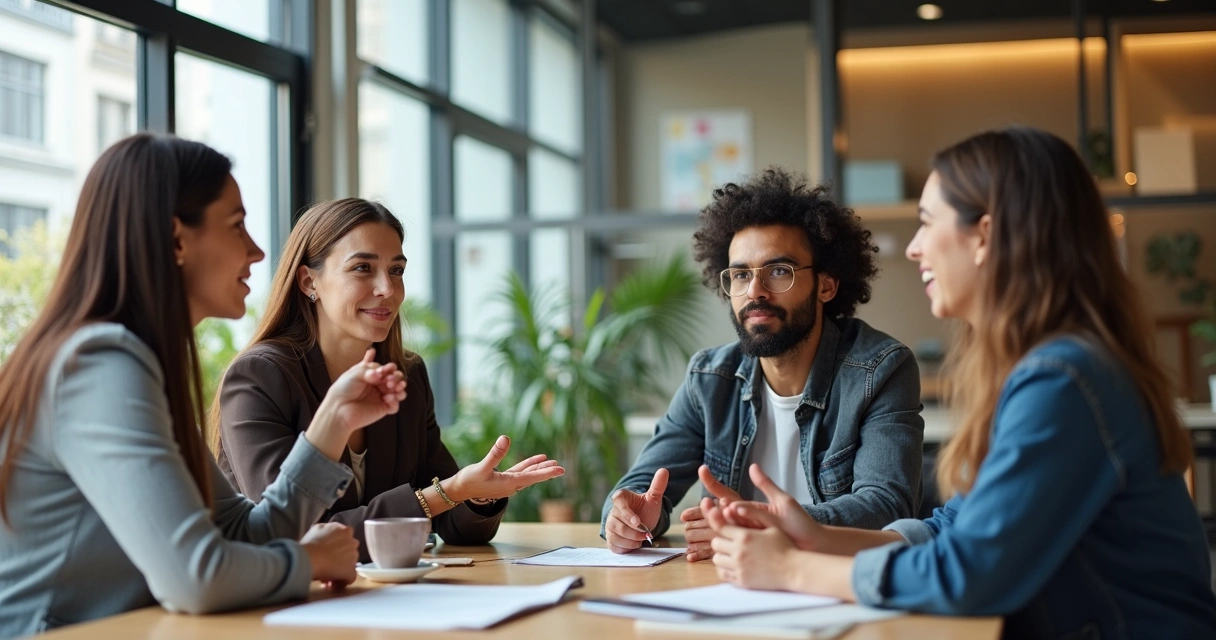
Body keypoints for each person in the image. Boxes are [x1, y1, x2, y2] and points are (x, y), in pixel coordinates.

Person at [703, 127, 1216, 638]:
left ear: (985, 235)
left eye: (927, 223)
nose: (914, 248)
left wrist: (793, 570)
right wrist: (814, 535)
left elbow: (971, 572)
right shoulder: (1055, 367)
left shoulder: (1064, 380)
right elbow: (958, 527)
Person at [0, 135, 407, 637]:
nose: (258, 251)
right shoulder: (99, 365)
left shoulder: (138, 365)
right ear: (176, 240)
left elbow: (244, 533)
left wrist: (332, 424)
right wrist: (306, 561)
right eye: (237, 226)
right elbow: (195, 578)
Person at [603, 167, 924, 562]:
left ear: (826, 284)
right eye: (740, 275)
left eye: (778, 271)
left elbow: (887, 506)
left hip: (838, 587)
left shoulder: (879, 369)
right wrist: (628, 518)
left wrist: (770, 524)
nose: (755, 291)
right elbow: (641, 486)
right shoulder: (709, 378)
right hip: (734, 588)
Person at [214, 198, 563, 560]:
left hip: (376, 598)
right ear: (308, 281)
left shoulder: (406, 375)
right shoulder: (260, 377)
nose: (387, 288)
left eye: (396, 270)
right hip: (278, 603)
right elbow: (295, 535)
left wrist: (479, 493)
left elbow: (455, 526)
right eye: (362, 268)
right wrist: (446, 493)